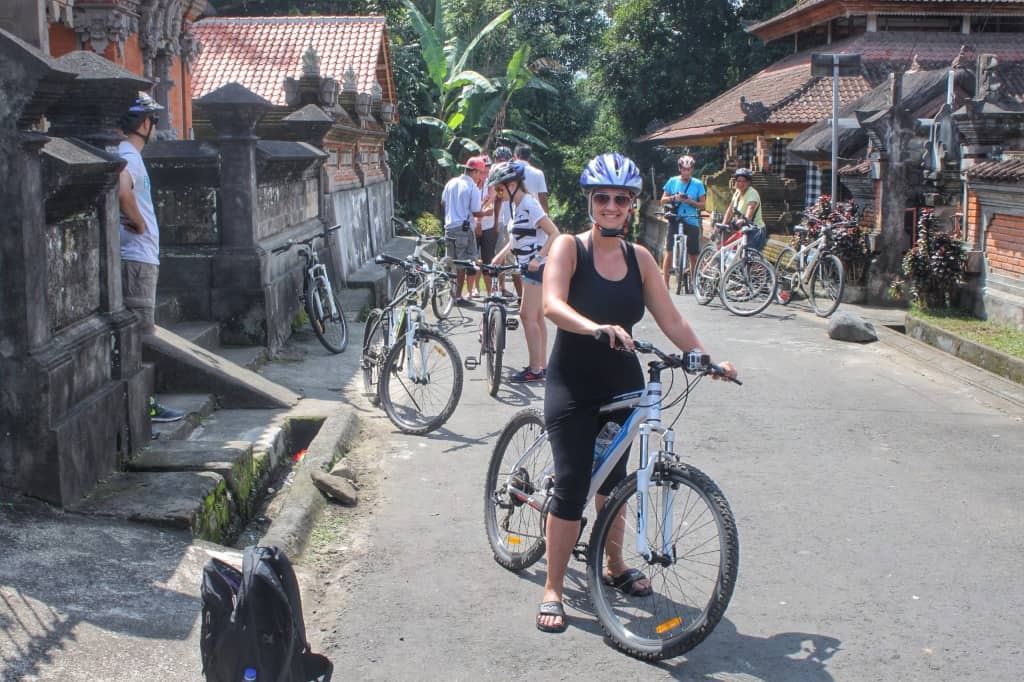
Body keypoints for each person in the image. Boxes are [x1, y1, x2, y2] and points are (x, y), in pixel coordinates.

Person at [536, 152, 737, 633]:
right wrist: (595, 327)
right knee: (571, 486)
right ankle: (553, 587)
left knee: (616, 482)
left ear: (631, 204)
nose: (610, 206)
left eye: (620, 199)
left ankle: (614, 564)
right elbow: (551, 305)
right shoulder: (569, 247)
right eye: (601, 198)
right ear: (590, 201)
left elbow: (672, 319)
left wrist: (705, 359)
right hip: (574, 382)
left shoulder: (640, 258)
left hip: (622, 383)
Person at [117, 92, 185, 424]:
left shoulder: (129, 154)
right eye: (153, 121)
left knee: (140, 330)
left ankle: (142, 404)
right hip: (137, 257)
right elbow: (121, 190)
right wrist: (139, 223)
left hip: (140, 255)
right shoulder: (127, 156)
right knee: (140, 332)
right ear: (145, 123)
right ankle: (144, 406)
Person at [488, 161, 559, 383]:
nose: (499, 194)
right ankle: (542, 365)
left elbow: (554, 233)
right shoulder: (518, 206)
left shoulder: (529, 204)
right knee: (536, 317)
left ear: (513, 185)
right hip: (527, 265)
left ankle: (535, 369)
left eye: (500, 189)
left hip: (536, 267)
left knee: (527, 316)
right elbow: (518, 237)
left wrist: (538, 258)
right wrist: (500, 256)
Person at [441, 156, 487, 304]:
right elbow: (476, 212)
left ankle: (449, 293)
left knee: (450, 261)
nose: (481, 176)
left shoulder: (451, 182)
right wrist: (487, 212)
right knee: (463, 263)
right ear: (474, 172)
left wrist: (453, 210)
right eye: (480, 173)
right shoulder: (472, 187)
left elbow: (443, 202)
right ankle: (458, 296)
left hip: (449, 227)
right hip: (463, 229)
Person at [659, 154, 706, 288]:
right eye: (684, 169)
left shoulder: (698, 184)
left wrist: (691, 201)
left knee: (693, 254)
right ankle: (665, 283)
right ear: (680, 169)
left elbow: (703, 205)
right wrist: (674, 197)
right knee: (669, 251)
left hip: (691, 220)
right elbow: (662, 200)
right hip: (675, 219)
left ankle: (693, 282)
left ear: (692, 170)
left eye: (689, 169)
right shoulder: (672, 181)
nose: (686, 172)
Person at [721, 167, 767, 251]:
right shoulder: (737, 193)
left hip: (755, 231)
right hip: (743, 230)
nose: (741, 183)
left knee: (749, 258)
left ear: (749, 182)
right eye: (738, 181)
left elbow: (750, 210)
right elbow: (729, 210)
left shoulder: (752, 193)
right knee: (727, 250)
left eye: (744, 181)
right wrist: (723, 225)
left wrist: (742, 220)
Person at [474, 155, 499, 298]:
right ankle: (475, 288)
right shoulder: (472, 185)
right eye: (484, 169)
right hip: (474, 226)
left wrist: (496, 223)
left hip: (488, 226)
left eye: (488, 169)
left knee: (488, 258)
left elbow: (493, 201)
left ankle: (490, 292)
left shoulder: (493, 183)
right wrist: (477, 222)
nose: (486, 172)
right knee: (475, 258)